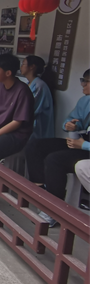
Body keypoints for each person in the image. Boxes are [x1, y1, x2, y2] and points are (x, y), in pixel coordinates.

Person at [24, 70, 90, 226]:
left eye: (87, 81)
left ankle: (54, 211)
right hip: (81, 142)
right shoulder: (85, 101)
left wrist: (83, 145)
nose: (83, 84)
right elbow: (72, 120)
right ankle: (41, 192)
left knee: (55, 160)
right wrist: (70, 125)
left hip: (85, 147)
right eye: (82, 80)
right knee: (36, 145)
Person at [20, 56, 54, 141]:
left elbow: (30, 107)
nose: (21, 67)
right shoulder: (30, 83)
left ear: (32, 67)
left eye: (23, 64)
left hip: (36, 127)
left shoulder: (39, 85)